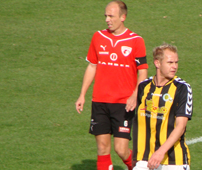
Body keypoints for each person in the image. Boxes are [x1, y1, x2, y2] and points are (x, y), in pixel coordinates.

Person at [75, 1, 148, 170]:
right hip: (99, 101)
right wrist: (82, 94)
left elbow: (142, 72)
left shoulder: (136, 41)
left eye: (111, 16)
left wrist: (135, 95)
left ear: (123, 17)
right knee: (102, 148)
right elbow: (92, 65)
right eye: (106, 16)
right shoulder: (98, 37)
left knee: (121, 150)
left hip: (123, 103)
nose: (107, 19)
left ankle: (138, 168)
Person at [132, 43, 193, 170]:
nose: (174, 66)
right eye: (170, 62)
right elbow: (138, 121)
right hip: (145, 160)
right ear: (157, 63)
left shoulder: (182, 88)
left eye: (176, 62)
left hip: (174, 162)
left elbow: (180, 126)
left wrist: (160, 152)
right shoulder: (144, 87)